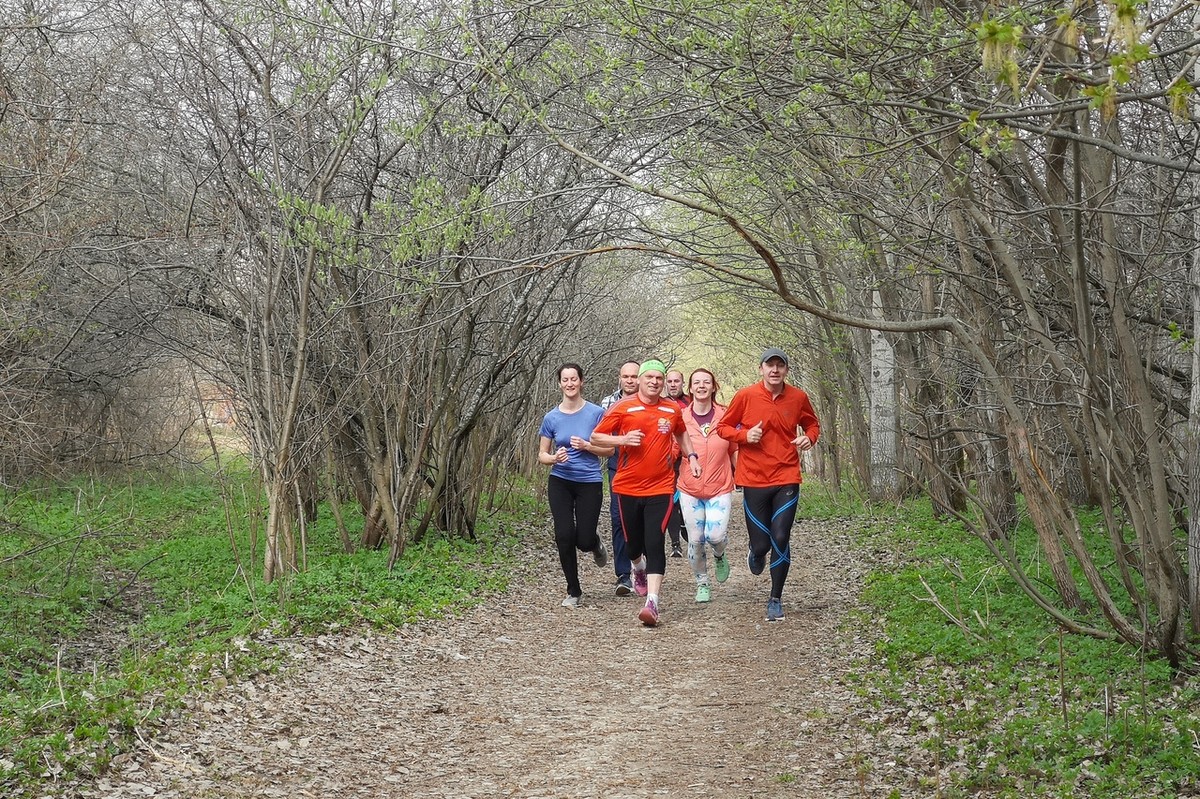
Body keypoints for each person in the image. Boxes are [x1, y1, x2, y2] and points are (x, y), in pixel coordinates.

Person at [590, 359, 700, 626]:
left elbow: (682, 434)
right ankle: (637, 567)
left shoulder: (671, 408)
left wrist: (692, 457)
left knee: (655, 541)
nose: (654, 382)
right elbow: (596, 437)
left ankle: (652, 603)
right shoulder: (623, 407)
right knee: (633, 545)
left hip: (661, 486)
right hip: (627, 486)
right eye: (649, 377)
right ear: (639, 380)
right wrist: (622, 439)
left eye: (659, 378)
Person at [714, 348, 819, 623]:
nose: (775, 370)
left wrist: (809, 438)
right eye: (769, 365)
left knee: (781, 536)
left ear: (786, 370)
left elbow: (812, 425)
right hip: (754, 478)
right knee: (762, 544)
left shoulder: (798, 397)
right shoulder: (745, 396)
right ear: (761, 369)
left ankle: (775, 599)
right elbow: (723, 428)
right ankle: (756, 551)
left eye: (779, 366)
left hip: (786, 475)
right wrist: (745, 435)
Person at [537, 363, 614, 608]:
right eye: (565, 380)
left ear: (581, 381)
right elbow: (542, 454)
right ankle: (574, 590)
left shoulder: (596, 413)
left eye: (574, 379)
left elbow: (610, 450)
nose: (569, 384)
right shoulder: (551, 417)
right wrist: (553, 458)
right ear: (559, 384)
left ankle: (594, 543)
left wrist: (587, 446)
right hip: (560, 480)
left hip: (589, 481)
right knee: (564, 535)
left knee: (583, 540)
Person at [676, 368, 737, 603]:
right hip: (689, 488)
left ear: (713, 387)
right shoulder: (680, 417)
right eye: (697, 382)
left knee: (715, 535)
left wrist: (744, 476)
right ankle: (702, 583)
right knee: (695, 539)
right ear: (690, 388)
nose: (701, 386)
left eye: (706, 382)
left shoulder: (726, 415)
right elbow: (672, 449)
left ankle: (719, 554)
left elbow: (734, 448)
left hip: (720, 486)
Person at [601, 360, 641, 595]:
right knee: (618, 518)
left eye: (634, 376)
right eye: (626, 376)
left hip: (647, 469)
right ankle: (623, 575)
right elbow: (600, 435)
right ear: (619, 378)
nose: (630, 380)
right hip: (617, 466)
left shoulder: (653, 402)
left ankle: (641, 566)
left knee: (641, 519)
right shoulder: (608, 403)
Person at [664, 368, 689, 558]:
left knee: (685, 499)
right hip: (668, 459)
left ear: (683, 383)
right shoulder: (661, 403)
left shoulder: (691, 402)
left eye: (676, 381)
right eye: (670, 381)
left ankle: (686, 529)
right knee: (671, 500)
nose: (673, 385)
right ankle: (675, 544)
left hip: (688, 458)